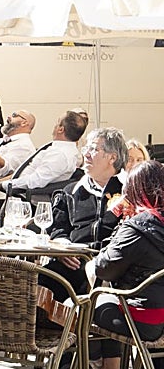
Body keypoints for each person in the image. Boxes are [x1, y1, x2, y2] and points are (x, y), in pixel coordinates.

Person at [91, 159, 164, 369]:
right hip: (160, 319)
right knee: (106, 301)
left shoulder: (138, 227)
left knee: (78, 308)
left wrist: (122, 224)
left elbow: (103, 269)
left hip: (142, 321)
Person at [43, 127, 127, 302]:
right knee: (37, 283)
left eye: (94, 149)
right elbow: (57, 229)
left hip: (113, 270)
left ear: (112, 157)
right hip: (73, 265)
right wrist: (64, 250)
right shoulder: (70, 192)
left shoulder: (128, 191)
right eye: (86, 148)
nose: (86, 154)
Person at [0, 108, 88, 194]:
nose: (54, 126)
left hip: (20, 195)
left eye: (57, 122)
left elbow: (35, 181)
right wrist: (3, 181)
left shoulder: (60, 155)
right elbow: (28, 171)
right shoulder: (60, 148)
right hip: (15, 186)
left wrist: (3, 185)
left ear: (61, 129)